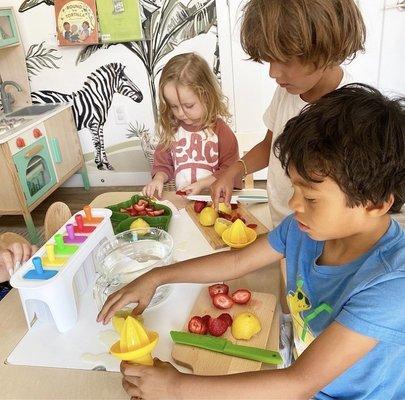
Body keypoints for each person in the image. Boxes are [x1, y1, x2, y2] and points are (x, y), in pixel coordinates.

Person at [97, 84, 405, 399]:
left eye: (310, 197)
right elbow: (235, 261)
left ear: (375, 203)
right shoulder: (303, 229)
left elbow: (299, 384)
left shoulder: (394, 284)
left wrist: (176, 388)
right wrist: (157, 276)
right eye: (294, 186)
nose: (294, 203)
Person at [142, 52, 241, 198]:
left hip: (216, 201)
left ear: (207, 96)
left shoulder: (221, 132)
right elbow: (163, 165)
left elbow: (230, 169)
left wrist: (203, 184)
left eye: (188, 105)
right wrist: (158, 179)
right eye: (174, 106)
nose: (181, 113)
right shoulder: (172, 131)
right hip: (184, 201)